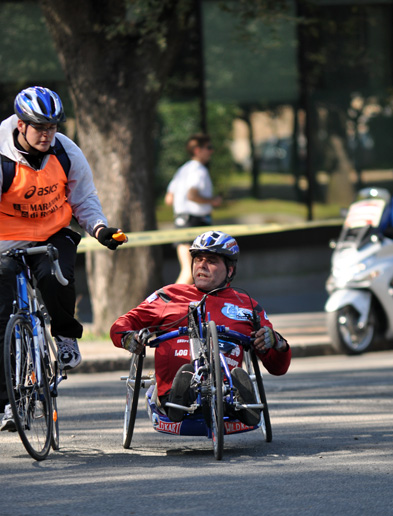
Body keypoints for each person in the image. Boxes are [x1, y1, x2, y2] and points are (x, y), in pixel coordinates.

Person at [0, 85, 126, 431]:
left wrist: (101, 230)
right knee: (0, 313)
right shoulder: (1, 154)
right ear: (20, 125)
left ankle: (65, 333)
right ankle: (6, 403)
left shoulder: (66, 151)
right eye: (40, 127)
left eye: (53, 127)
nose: (47, 134)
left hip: (53, 232)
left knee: (57, 278)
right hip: (6, 240)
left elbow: (84, 198)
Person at [110, 230, 291, 425]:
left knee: (233, 383)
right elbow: (120, 326)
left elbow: (278, 368)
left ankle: (239, 400)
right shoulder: (169, 295)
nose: (202, 265)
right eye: (198, 259)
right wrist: (129, 338)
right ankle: (178, 396)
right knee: (185, 376)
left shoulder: (248, 305)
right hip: (176, 388)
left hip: (224, 388)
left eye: (211, 261)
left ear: (230, 270)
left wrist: (277, 342)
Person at [164, 133, 223, 285]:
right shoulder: (199, 170)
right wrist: (213, 201)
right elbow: (192, 195)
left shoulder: (182, 170)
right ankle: (169, 306)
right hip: (195, 223)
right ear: (197, 150)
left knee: (191, 271)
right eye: (208, 147)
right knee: (192, 272)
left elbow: (169, 199)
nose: (211, 151)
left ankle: (177, 306)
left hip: (181, 222)